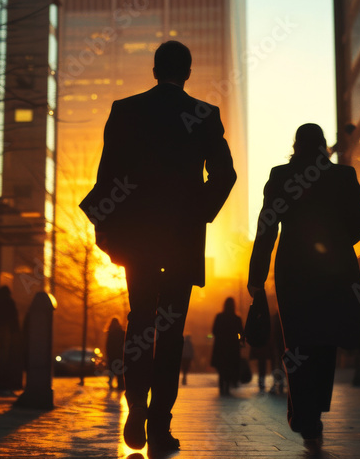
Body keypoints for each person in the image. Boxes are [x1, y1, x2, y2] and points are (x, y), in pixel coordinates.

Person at [80, 40, 236, 453]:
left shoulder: (126, 110)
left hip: (139, 238)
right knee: (170, 330)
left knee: (140, 320)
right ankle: (160, 424)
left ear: (153, 70)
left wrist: (107, 226)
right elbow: (225, 175)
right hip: (181, 239)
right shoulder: (204, 115)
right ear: (187, 73)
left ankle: (135, 406)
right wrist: (197, 212)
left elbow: (108, 175)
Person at [248, 123, 360, 455]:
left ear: (296, 146)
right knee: (325, 343)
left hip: (294, 269)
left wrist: (256, 277)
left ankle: (305, 415)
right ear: (323, 147)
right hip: (335, 269)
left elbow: (267, 227)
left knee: (298, 342)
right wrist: (339, 242)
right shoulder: (344, 176)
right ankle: (313, 414)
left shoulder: (280, 175)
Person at [211, 298, 244, 396]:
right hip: (232, 347)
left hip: (221, 347)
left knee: (222, 368)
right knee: (230, 367)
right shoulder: (237, 318)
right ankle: (227, 387)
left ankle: (222, 387)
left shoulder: (219, 317)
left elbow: (214, 331)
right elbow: (241, 333)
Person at [105, 317, 126, 391]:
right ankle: (120, 385)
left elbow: (108, 346)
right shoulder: (122, 332)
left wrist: (108, 355)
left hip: (112, 355)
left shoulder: (110, 333)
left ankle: (110, 383)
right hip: (120, 355)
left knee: (112, 370)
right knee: (120, 371)